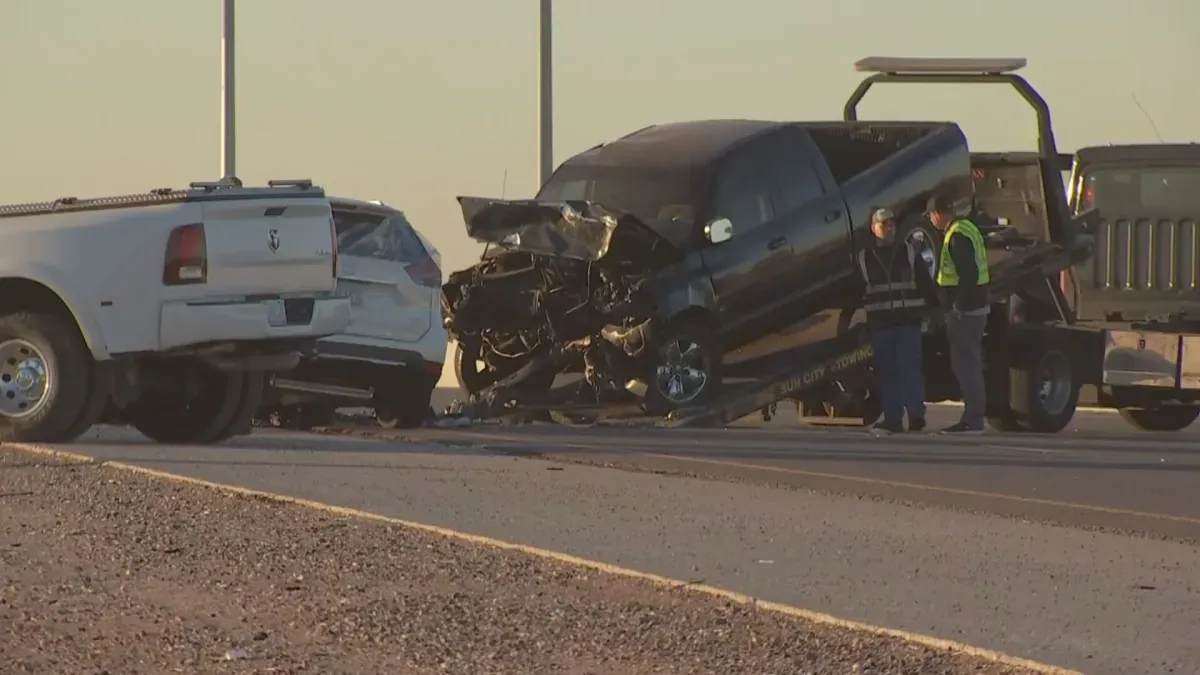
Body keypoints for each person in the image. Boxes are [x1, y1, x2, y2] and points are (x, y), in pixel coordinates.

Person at [857, 208, 939, 435]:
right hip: (881, 325)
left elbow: (925, 283)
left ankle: (916, 416)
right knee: (887, 372)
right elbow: (857, 291)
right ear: (873, 228)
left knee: (909, 367)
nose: (889, 228)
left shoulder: (909, 252)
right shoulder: (864, 258)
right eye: (884, 225)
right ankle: (893, 419)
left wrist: (935, 309)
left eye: (892, 224)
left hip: (907, 322)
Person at [925, 191, 991, 434]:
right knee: (967, 363)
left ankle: (973, 419)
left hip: (966, 312)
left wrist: (955, 305)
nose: (931, 220)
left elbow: (969, 274)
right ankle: (974, 416)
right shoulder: (966, 228)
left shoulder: (956, 237)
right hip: (974, 308)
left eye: (931, 215)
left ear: (938, 214)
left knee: (966, 365)